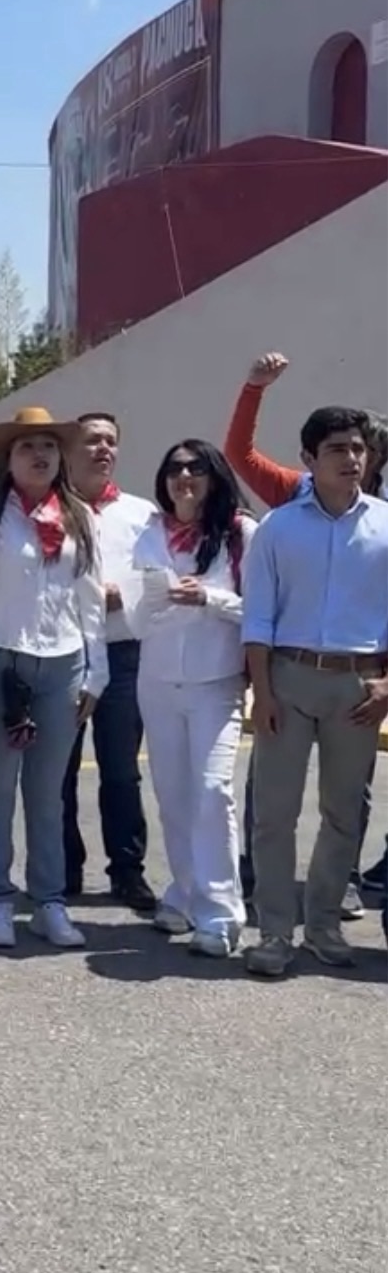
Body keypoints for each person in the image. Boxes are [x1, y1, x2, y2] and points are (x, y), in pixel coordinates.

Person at [224, 352, 387, 913]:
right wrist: (254, 388)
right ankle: (268, 909)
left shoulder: (384, 522)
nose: (353, 458)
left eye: (362, 449)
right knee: (273, 804)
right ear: (312, 457)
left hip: (358, 681)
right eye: (339, 448)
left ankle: (328, 908)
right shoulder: (286, 506)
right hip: (290, 677)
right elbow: (238, 455)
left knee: (347, 804)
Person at [0, 407, 109, 949]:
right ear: (7, 461)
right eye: (25, 447)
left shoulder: (80, 516)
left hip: (62, 664)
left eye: (48, 446)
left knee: (48, 791)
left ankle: (50, 901)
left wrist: (96, 670)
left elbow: (89, 598)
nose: (39, 455)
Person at [127, 441, 255, 957]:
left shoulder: (242, 533)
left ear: (214, 476)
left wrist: (209, 597)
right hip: (157, 681)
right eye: (175, 467)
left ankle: (222, 916)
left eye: (195, 468)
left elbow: (262, 611)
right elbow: (137, 620)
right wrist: (159, 604)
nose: (184, 476)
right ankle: (184, 893)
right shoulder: (150, 534)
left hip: (216, 683)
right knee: (174, 796)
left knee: (212, 792)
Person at [61, 412, 158, 911]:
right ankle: (62, 868)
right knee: (59, 770)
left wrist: (129, 595)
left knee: (121, 769)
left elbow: (160, 575)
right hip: (64, 655)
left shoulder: (143, 514)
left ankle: (127, 871)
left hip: (123, 655)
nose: (103, 449)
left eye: (110, 441)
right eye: (92, 440)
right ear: (69, 450)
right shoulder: (51, 510)